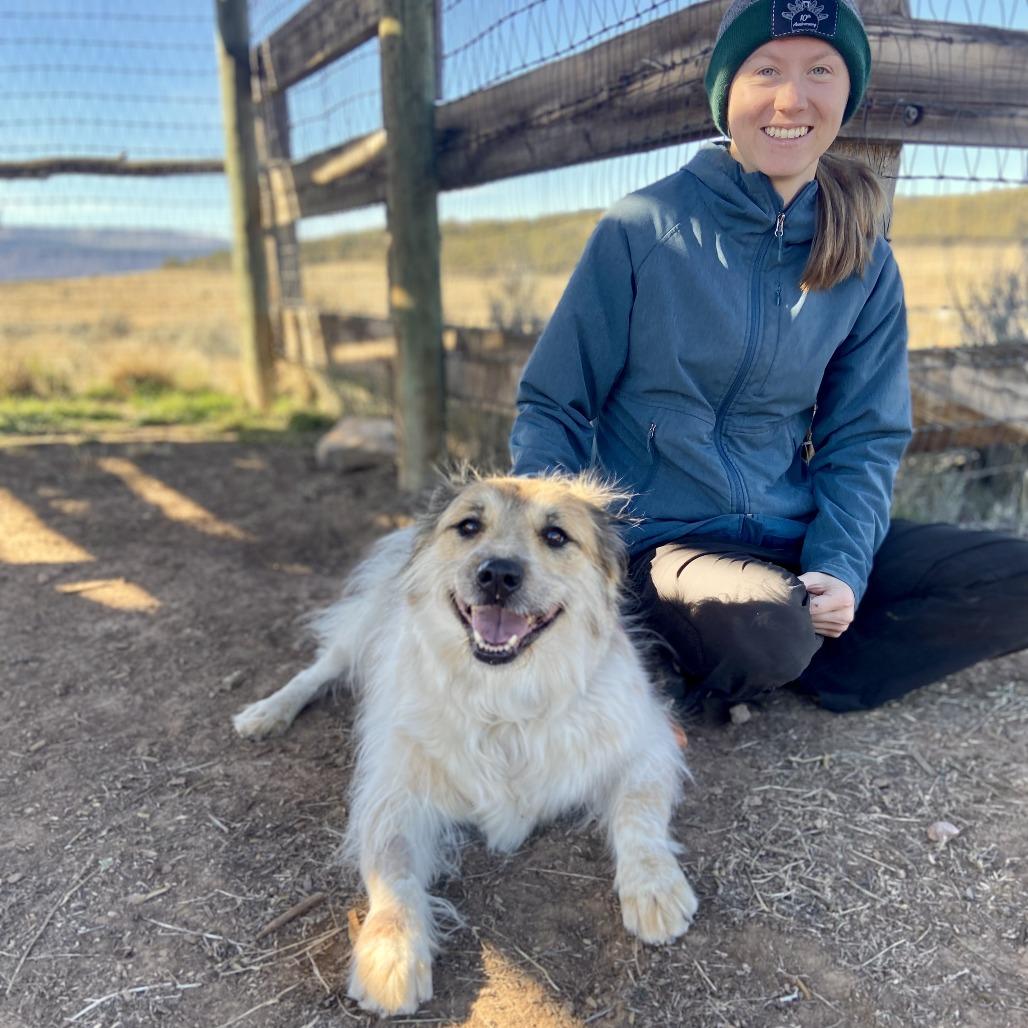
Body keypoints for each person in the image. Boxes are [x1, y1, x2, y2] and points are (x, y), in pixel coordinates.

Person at [510, 0, 1028, 720]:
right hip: (668, 546)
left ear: (847, 95)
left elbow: (864, 436)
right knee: (765, 621)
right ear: (728, 93)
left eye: (820, 70)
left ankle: (812, 665)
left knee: (1014, 576)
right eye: (765, 70)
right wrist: (559, 559)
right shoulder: (641, 231)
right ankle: (724, 655)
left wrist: (840, 566)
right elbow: (553, 405)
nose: (792, 98)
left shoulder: (867, 262)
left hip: (795, 534)